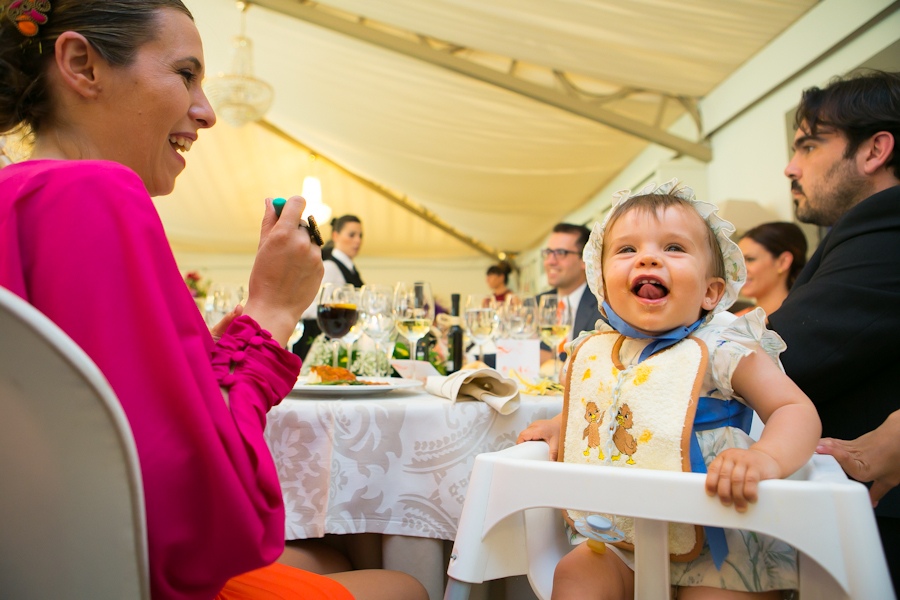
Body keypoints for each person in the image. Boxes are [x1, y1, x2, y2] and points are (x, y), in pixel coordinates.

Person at [0, 3, 425, 599]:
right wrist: (271, 313)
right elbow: (212, 506)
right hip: (134, 576)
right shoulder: (95, 193)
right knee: (404, 582)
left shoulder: (14, 198)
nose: (208, 111)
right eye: (185, 75)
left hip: (37, 567)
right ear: (81, 65)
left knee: (334, 553)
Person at [518, 181, 820, 598]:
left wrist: (766, 457)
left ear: (712, 291)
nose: (648, 257)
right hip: (621, 528)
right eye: (626, 250)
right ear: (602, 284)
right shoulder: (599, 349)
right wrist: (559, 426)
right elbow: (599, 406)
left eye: (674, 248)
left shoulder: (724, 348)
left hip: (719, 526)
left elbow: (794, 408)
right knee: (575, 577)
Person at [767, 70, 900, 590]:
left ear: (874, 151)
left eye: (807, 145)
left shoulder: (885, 220)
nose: (789, 166)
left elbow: (788, 354)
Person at [293, 214, 364, 360]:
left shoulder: (350, 269)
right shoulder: (331, 267)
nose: (358, 240)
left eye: (360, 235)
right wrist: (338, 309)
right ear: (335, 235)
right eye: (352, 235)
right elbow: (309, 306)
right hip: (320, 341)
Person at [536, 223, 603, 365]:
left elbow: (595, 358)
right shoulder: (537, 303)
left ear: (584, 259)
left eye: (560, 253)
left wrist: (552, 358)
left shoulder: (602, 305)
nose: (550, 261)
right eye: (548, 253)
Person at [734, 221, 807, 316]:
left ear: (783, 262)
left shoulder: (801, 320)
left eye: (750, 259)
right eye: (738, 261)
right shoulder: (730, 322)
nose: (739, 270)